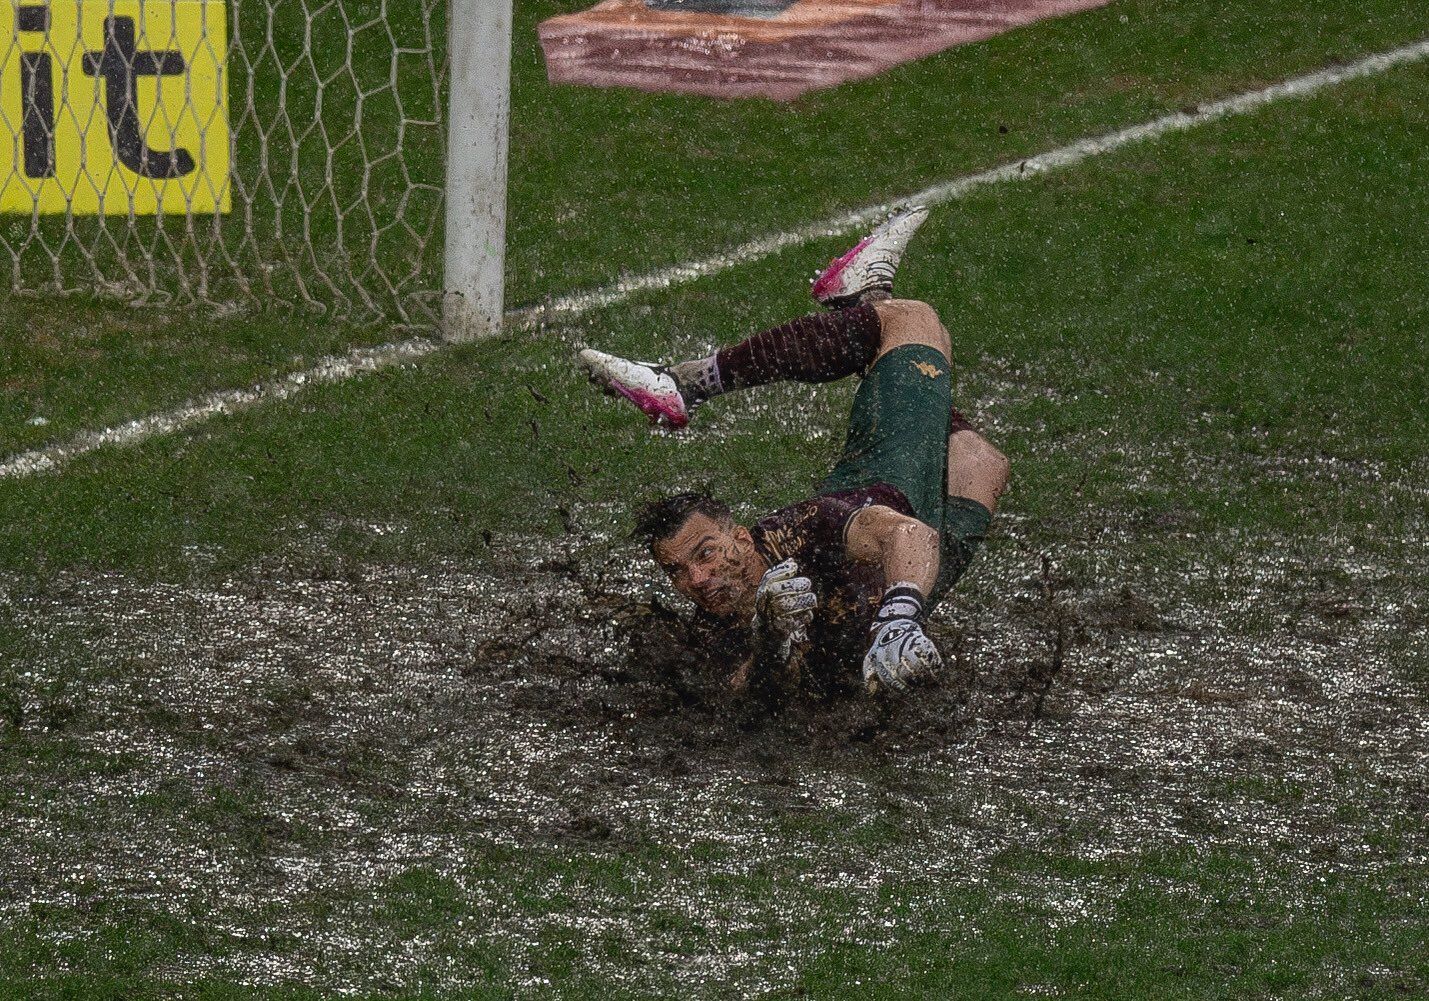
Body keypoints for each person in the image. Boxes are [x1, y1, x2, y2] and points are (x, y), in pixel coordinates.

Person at [577, 205, 1010, 696]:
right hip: (894, 584)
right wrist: (770, 640)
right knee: (980, 461)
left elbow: (907, 536)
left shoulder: (802, 531)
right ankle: (863, 301)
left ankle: (682, 384)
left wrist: (900, 618)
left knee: (912, 323)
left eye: (705, 553)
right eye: (678, 571)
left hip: (893, 484)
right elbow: (751, 698)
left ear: (741, 539)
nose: (697, 579)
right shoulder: (709, 631)